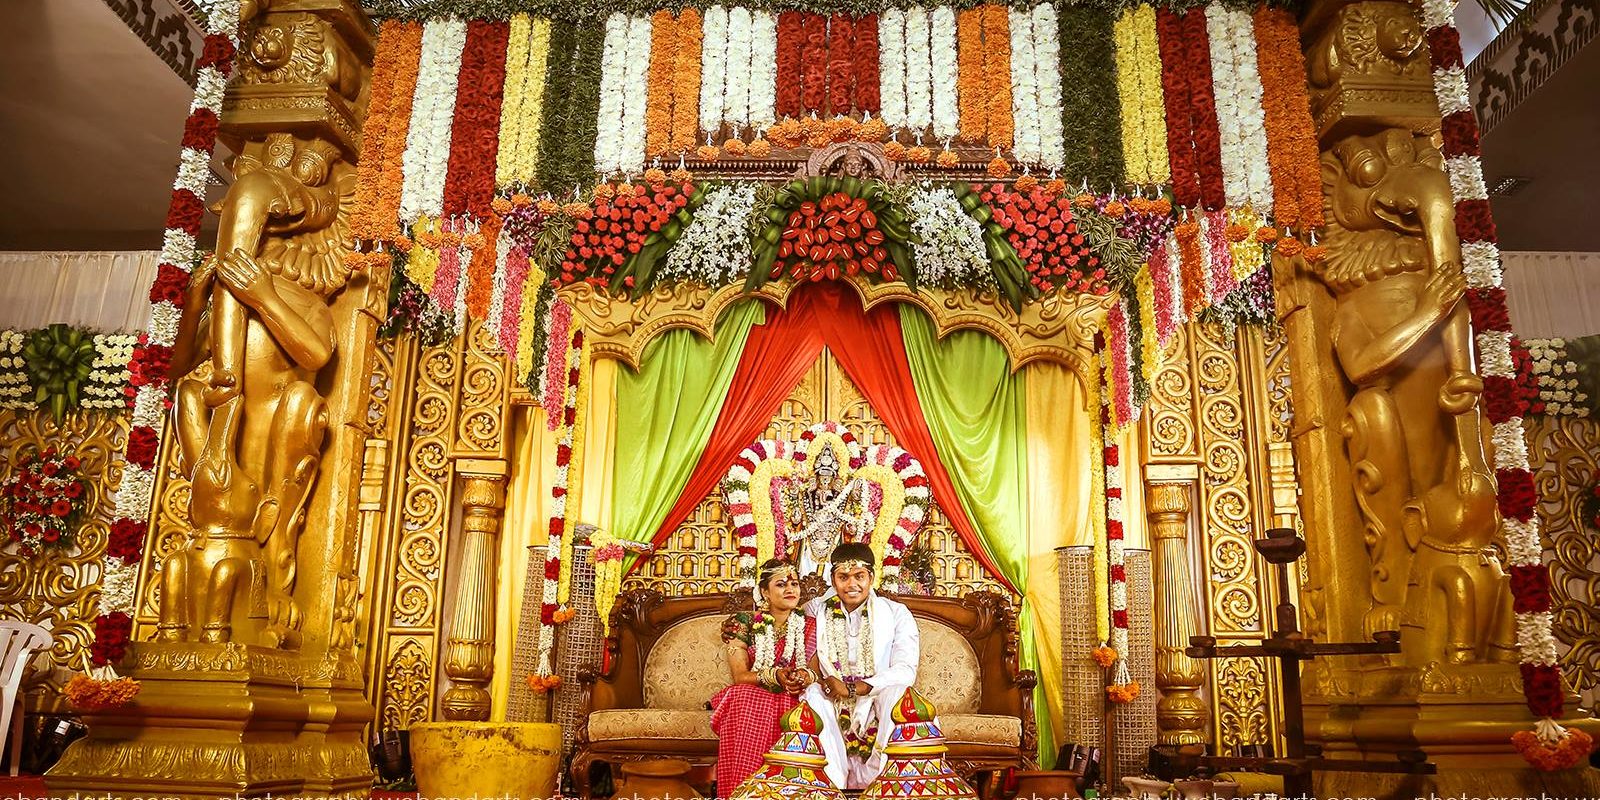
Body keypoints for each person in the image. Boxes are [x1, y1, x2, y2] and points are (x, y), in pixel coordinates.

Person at [801, 542, 921, 789]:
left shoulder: (897, 613)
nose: (851, 584)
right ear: (833, 581)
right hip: (832, 698)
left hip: (876, 697)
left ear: (872, 578)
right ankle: (830, 787)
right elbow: (781, 619)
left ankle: (885, 786)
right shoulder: (816, 610)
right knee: (812, 693)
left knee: (898, 692)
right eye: (843, 577)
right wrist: (741, 628)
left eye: (859, 576)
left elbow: (906, 669)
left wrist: (858, 688)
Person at [710, 559, 817, 795]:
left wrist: (802, 677)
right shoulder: (744, 623)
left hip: (795, 694)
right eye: (781, 584)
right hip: (755, 690)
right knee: (743, 696)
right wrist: (774, 676)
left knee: (809, 704)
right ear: (764, 592)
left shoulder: (810, 625)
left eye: (794, 584)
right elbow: (740, 676)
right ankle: (740, 791)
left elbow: (814, 670)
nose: (790, 590)